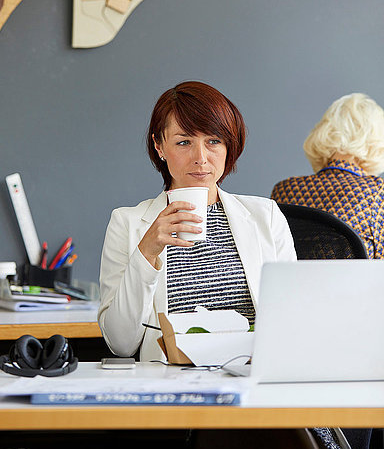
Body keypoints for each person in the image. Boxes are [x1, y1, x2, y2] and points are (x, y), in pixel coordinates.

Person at [98, 80, 296, 362]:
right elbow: (121, 344)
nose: (201, 158)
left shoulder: (266, 216)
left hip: (251, 378)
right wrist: (147, 252)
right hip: (171, 385)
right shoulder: (127, 223)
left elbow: (292, 321)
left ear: (230, 146)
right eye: (184, 142)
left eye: (213, 141)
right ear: (159, 146)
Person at [271, 93, 384, 259]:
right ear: (377, 144)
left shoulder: (283, 190)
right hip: (355, 285)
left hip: (295, 284)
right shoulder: (377, 193)